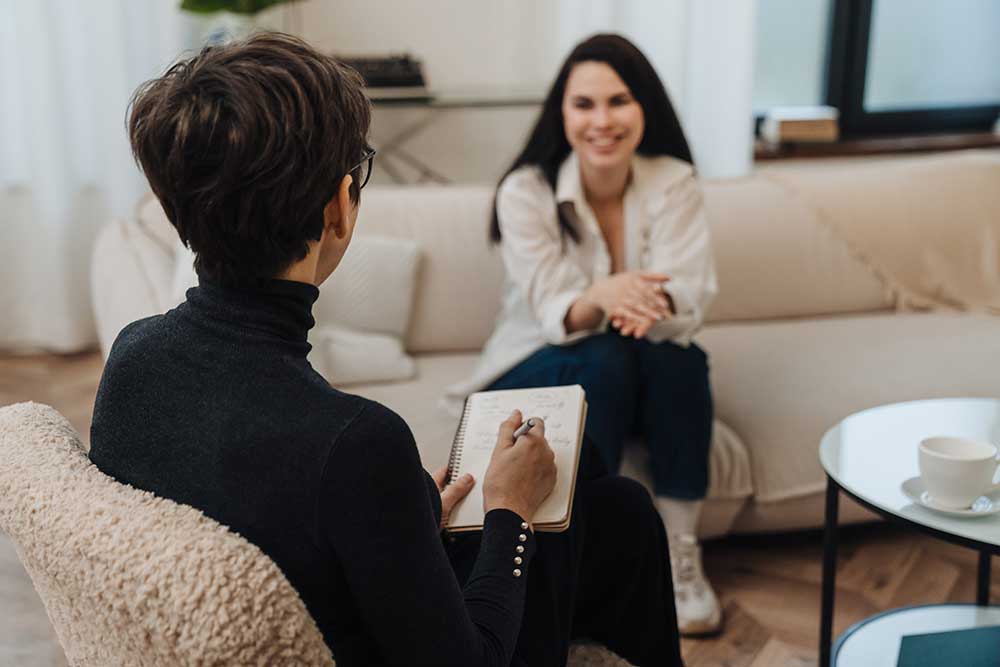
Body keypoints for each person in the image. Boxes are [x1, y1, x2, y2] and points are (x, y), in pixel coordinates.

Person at [89, 33, 685, 666]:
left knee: (616, 508)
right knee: (603, 507)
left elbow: (261, 497)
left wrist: (402, 509)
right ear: (341, 208)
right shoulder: (354, 441)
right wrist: (509, 513)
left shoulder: (133, 358)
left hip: (321, 611)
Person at [447, 33, 721, 636]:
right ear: (562, 113)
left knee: (679, 358)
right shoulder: (526, 190)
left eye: (618, 101)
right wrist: (602, 296)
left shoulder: (673, 180)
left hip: (641, 358)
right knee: (603, 356)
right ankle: (566, 557)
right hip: (532, 365)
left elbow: (689, 289)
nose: (602, 120)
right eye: (584, 104)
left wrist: (634, 301)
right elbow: (556, 309)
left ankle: (680, 554)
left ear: (644, 108)